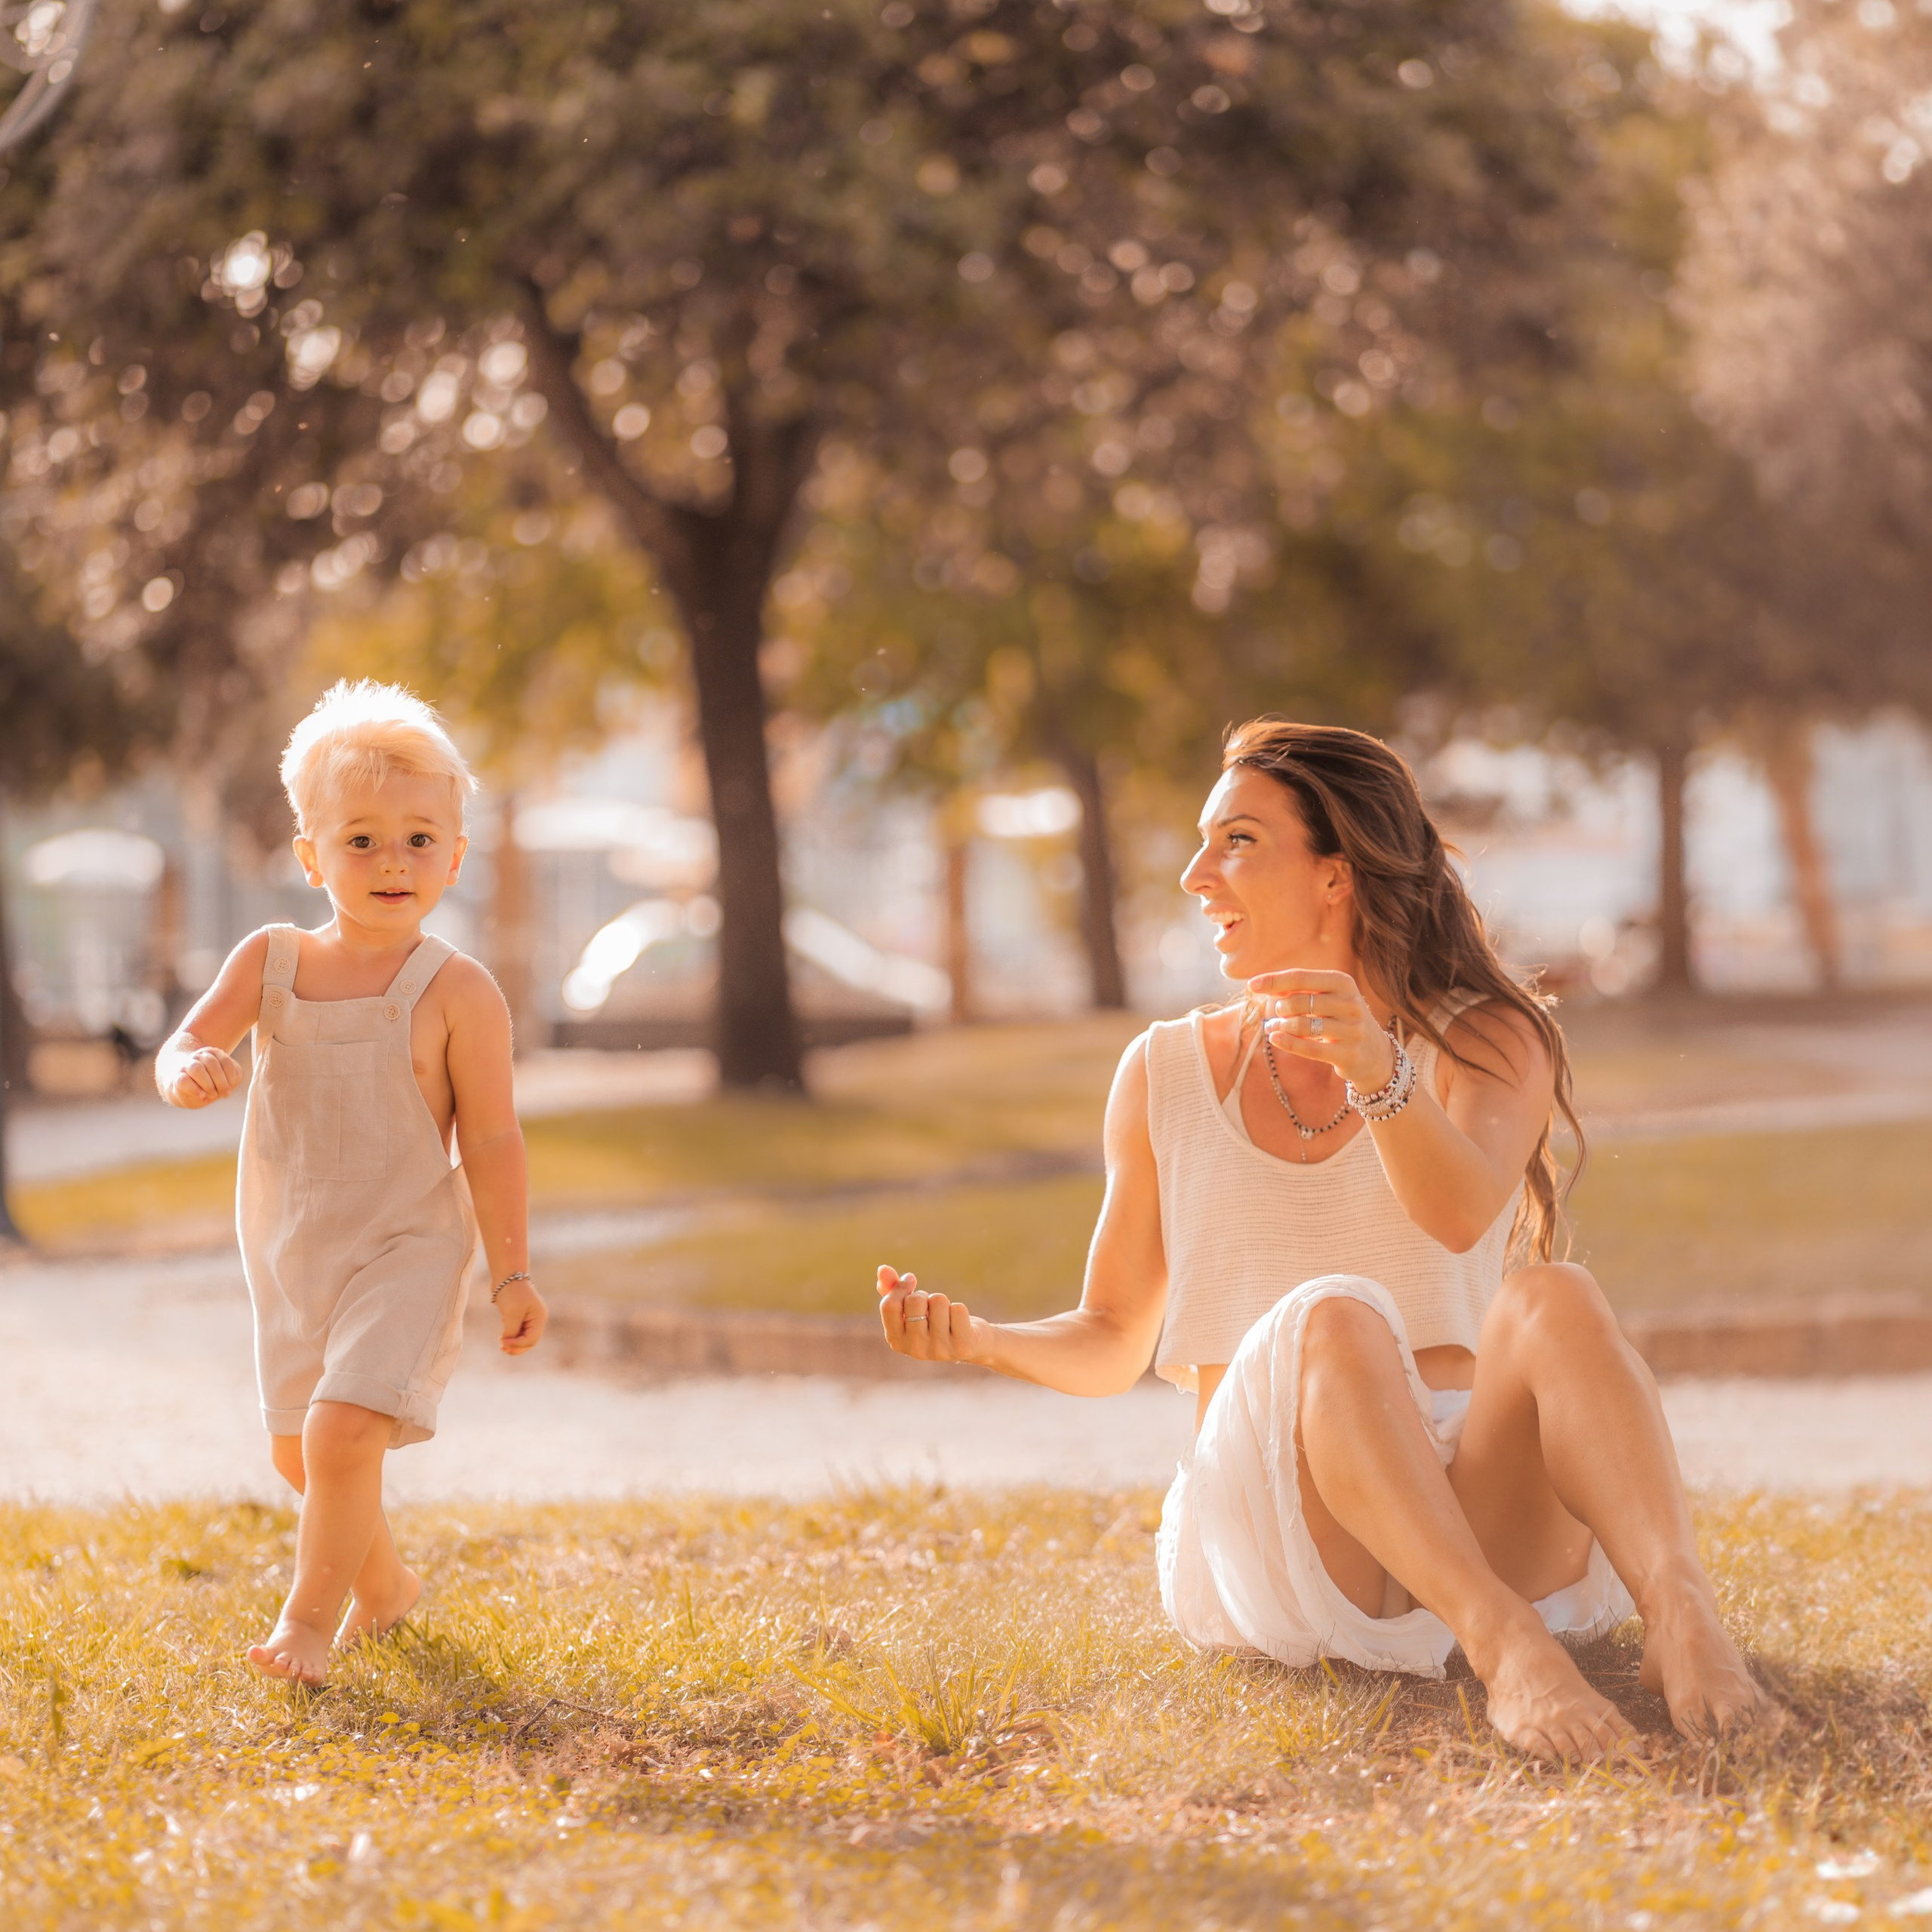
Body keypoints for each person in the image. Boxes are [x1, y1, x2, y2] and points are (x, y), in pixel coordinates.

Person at [876, 719, 1773, 1761]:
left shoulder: (1487, 1036)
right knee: (1335, 1314)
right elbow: (1115, 1333)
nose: (1195, 873)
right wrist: (980, 1338)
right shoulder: (1163, 1072)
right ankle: (1506, 1649)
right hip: (1286, 1523)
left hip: (1480, 1506)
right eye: (1204, 843)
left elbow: (1460, 1212)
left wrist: (1378, 1071)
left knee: (1555, 1297)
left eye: (1238, 843)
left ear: (1336, 874)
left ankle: (1681, 1612)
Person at [155, 680, 546, 1684]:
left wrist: (510, 1274)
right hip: (294, 1249)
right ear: (311, 855)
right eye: (361, 839)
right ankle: (387, 1590)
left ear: (456, 857)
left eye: (420, 839)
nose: (391, 861)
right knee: (304, 1458)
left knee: (341, 1430)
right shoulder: (272, 962)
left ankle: (307, 1625)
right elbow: (190, 1037)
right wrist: (185, 1069)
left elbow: (495, 1140)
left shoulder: (459, 992)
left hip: (408, 1248)